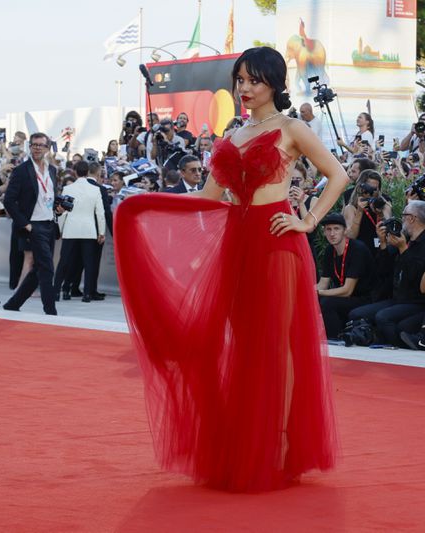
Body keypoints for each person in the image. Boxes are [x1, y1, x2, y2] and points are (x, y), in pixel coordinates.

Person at [113, 46, 347, 492]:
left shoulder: (293, 128)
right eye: (240, 80)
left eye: (254, 80)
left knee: (278, 346)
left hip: (278, 243)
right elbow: (207, 200)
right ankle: (248, 441)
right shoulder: (234, 135)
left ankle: (279, 446)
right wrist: (143, 205)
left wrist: (308, 220)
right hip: (236, 247)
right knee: (242, 345)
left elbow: (338, 174)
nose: (244, 88)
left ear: (275, 84)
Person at [347, 200, 425, 346]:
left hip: (417, 301)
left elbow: (416, 277)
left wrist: (403, 249)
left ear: (412, 218)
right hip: (397, 298)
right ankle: (373, 340)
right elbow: (382, 271)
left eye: (403, 216)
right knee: (356, 314)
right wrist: (383, 243)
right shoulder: (404, 238)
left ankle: (399, 350)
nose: (401, 220)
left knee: (383, 317)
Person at [2, 132, 64, 316]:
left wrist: (57, 209)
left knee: (38, 268)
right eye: (34, 145)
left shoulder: (52, 170)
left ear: (47, 148)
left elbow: (50, 196)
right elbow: (9, 201)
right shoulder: (21, 170)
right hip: (33, 226)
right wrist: (25, 224)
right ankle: (50, 310)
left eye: (40, 145)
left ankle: (14, 303)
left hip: (49, 224)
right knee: (46, 267)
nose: (36, 148)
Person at [53, 161, 106, 302]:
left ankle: (57, 292)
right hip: (89, 229)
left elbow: (63, 212)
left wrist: (60, 230)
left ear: (75, 172)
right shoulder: (96, 190)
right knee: (89, 263)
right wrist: (101, 232)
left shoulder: (67, 189)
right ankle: (87, 295)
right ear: (88, 172)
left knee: (63, 261)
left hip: (71, 228)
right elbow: (100, 213)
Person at [316, 213, 374, 338]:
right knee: (312, 299)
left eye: (336, 229)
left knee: (327, 302)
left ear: (345, 230)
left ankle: (335, 338)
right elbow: (323, 283)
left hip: (364, 297)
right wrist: (307, 291)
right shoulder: (329, 250)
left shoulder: (357, 249)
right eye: (328, 229)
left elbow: (347, 290)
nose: (332, 233)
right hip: (344, 297)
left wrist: (318, 292)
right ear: (324, 232)